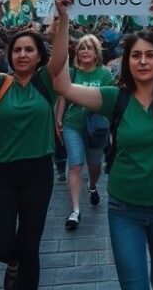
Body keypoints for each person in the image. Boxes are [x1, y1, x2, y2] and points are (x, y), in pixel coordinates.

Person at [51, 0, 153, 290]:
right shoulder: (113, 98)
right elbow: (63, 85)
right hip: (125, 210)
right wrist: (63, 20)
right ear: (126, 62)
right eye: (136, 56)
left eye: (150, 55)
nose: (144, 61)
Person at [0, 0, 63, 290]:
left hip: (38, 172)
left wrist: (62, 19)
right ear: (9, 55)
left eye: (29, 50)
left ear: (39, 56)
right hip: (2, 173)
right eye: (17, 50)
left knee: (30, 245)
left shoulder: (45, 84)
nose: (22, 54)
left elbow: (61, 59)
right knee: (0, 246)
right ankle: (11, 261)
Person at [55, 33, 114, 230]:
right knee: (75, 165)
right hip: (73, 125)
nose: (85, 51)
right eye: (82, 48)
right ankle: (75, 211)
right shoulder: (71, 73)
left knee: (95, 166)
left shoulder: (105, 74)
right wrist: (59, 119)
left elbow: (111, 100)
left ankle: (92, 186)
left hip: (97, 129)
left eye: (89, 48)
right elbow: (63, 96)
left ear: (96, 53)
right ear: (77, 53)